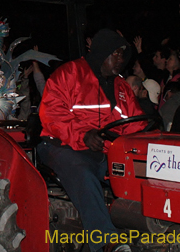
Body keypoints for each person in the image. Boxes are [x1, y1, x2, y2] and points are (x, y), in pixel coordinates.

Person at [38, 29, 147, 251]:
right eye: (115, 54)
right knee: (82, 173)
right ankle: (106, 242)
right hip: (61, 145)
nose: (120, 59)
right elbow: (52, 114)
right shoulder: (68, 74)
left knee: (140, 173)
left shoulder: (122, 87)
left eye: (122, 55)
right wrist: (83, 135)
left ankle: (150, 233)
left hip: (104, 151)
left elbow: (135, 125)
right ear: (102, 52)